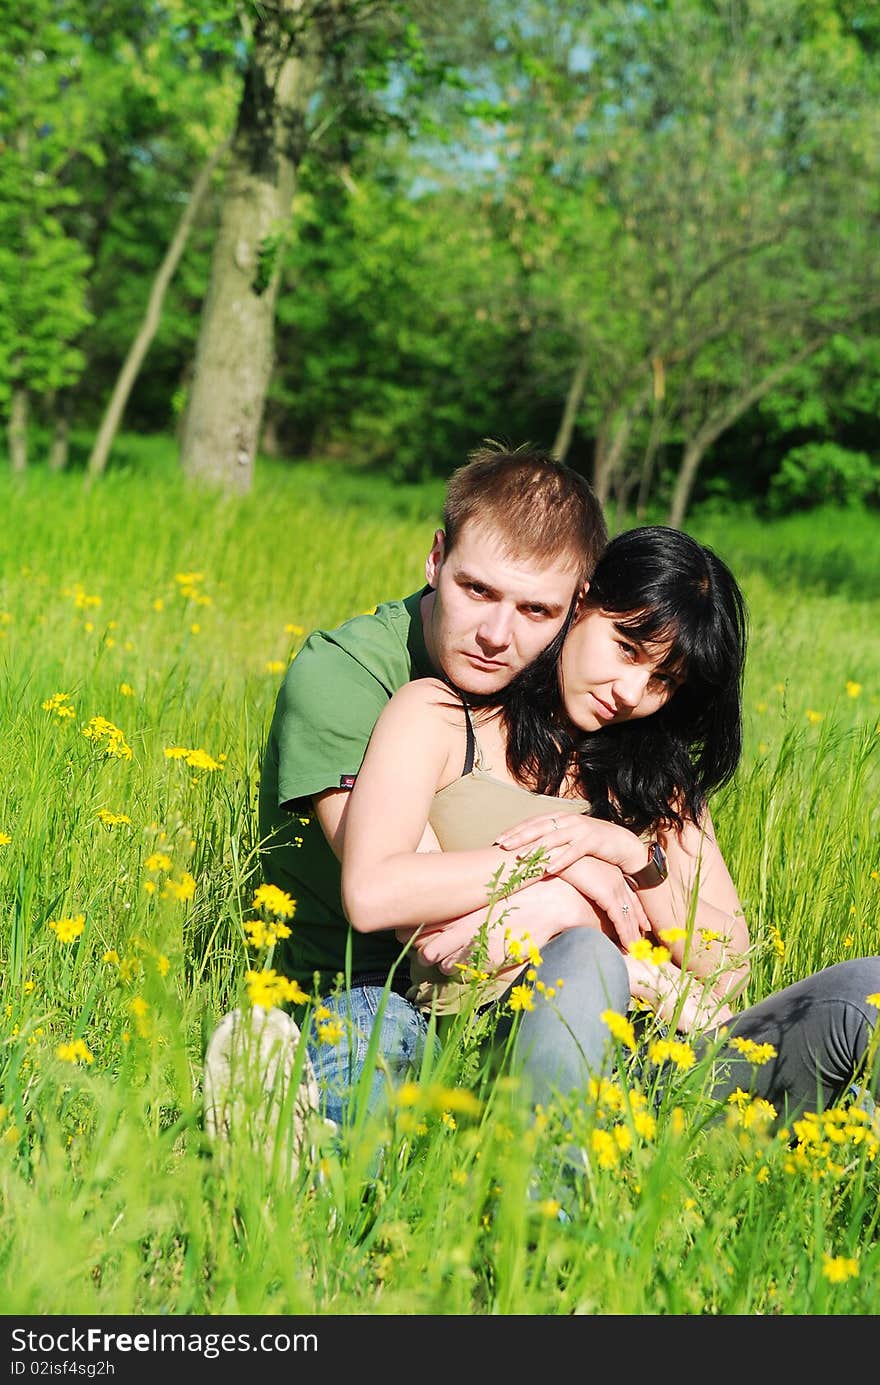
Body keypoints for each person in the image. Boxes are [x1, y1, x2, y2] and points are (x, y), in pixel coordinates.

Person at [340, 525, 880, 1122]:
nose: (631, 692)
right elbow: (431, 937)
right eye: (626, 648)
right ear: (581, 602)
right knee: (582, 960)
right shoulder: (442, 720)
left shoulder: (655, 779)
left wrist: (625, 854)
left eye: (663, 681)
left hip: (663, 1070)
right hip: (501, 1055)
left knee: (870, 990)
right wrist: (571, 895)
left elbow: (725, 969)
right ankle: (547, 1197)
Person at [204, 441, 635, 1160]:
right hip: (356, 981)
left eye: (536, 608)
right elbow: (401, 901)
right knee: (377, 1042)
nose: (498, 635)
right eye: (477, 590)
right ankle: (288, 1144)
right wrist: (570, 872)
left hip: (504, 994)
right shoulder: (346, 674)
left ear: (575, 607)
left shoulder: (562, 690)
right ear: (436, 557)